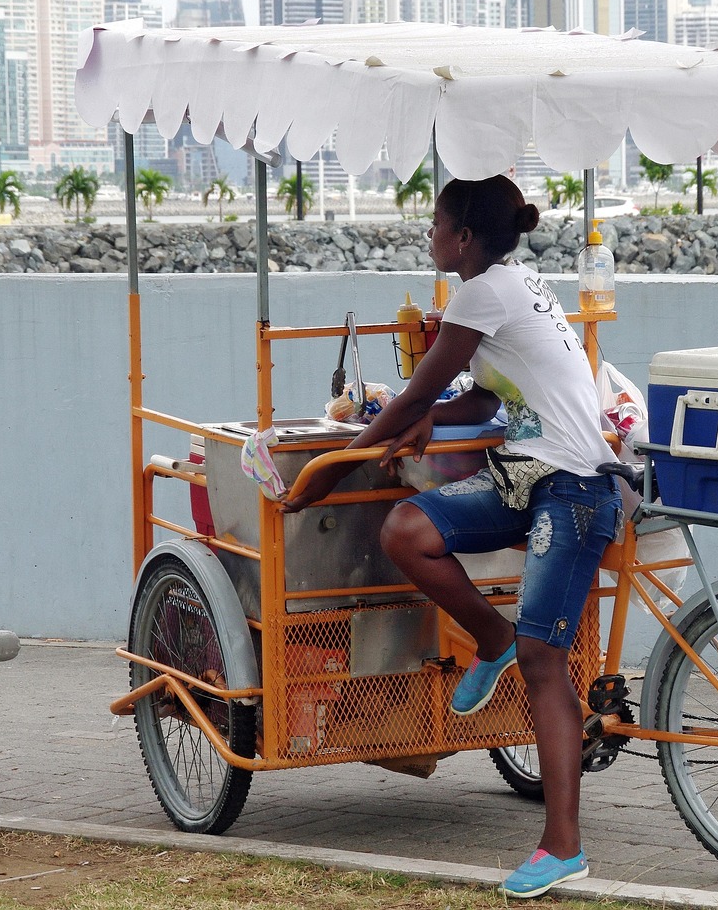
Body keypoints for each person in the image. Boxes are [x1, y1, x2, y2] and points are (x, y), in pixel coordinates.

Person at [281, 174, 622, 899]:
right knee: (409, 530)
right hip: (527, 474)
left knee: (545, 662)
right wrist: (438, 415)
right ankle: (492, 641)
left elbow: (413, 392)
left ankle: (563, 846)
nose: (430, 236)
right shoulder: (510, 283)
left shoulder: (482, 294)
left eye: (436, 225)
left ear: (463, 237)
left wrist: (325, 476)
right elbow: (490, 394)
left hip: (574, 487)